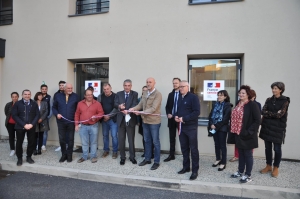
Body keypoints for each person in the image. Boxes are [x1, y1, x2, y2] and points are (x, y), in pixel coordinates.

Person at [230, 85, 261, 183]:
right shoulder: (238, 103)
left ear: (248, 94)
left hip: (247, 134)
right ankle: (240, 171)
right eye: (240, 93)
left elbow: (257, 120)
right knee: (241, 154)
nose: (241, 94)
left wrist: (249, 131)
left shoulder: (252, 105)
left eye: (243, 93)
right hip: (238, 133)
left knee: (248, 154)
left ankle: (248, 175)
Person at [130, 77, 162, 170]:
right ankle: (147, 159)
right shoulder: (145, 93)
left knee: (155, 142)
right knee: (147, 141)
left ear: (154, 83)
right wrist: (133, 109)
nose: (148, 83)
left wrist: (140, 113)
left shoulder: (158, 94)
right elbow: (140, 105)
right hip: (145, 121)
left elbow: (153, 108)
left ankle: (156, 162)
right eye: (147, 82)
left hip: (154, 122)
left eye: (150, 82)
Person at [259, 82, 290, 178]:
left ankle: (276, 167)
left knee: (277, 149)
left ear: (281, 90)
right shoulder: (268, 100)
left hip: (278, 128)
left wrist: (270, 114)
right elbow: (263, 111)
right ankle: (268, 165)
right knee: (267, 148)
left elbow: (280, 115)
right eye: (273, 88)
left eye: (276, 88)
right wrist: (273, 114)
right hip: (267, 127)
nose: (273, 90)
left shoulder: (285, 101)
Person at [175, 80, 200, 180]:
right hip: (182, 127)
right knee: (184, 148)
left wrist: (184, 118)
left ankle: (195, 171)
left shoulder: (193, 97)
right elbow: (179, 111)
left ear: (187, 87)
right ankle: (186, 167)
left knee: (193, 149)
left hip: (191, 127)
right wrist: (177, 116)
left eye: (182, 86)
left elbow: (197, 112)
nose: (180, 88)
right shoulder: (180, 98)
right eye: (179, 87)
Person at [11, 89, 40, 166]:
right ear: (22, 95)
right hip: (20, 127)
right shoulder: (17, 104)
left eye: (28, 94)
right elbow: (14, 115)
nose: (27, 96)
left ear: (30, 95)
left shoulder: (34, 103)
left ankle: (29, 157)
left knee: (31, 142)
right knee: (19, 143)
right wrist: (24, 124)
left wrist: (32, 124)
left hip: (31, 126)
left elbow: (37, 115)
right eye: (25, 94)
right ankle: (19, 158)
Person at [75, 89, 104, 163]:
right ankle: (84, 156)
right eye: (88, 95)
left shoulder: (97, 103)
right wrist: (76, 124)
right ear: (85, 95)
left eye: (91, 94)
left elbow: (101, 113)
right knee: (84, 142)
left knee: (93, 142)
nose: (90, 96)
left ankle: (93, 156)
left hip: (93, 126)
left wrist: (96, 116)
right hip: (83, 126)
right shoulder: (80, 103)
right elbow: (77, 114)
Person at [52, 83, 79, 162]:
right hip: (61, 122)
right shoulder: (58, 96)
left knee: (71, 139)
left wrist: (77, 121)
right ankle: (64, 154)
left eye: (71, 88)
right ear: (64, 89)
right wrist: (57, 114)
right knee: (62, 139)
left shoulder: (76, 96)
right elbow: (54, 107)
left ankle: (69, 155)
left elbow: (78, 109)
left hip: (71, 121)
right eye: (68, 88)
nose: (70, 90)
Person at [114, 79, 138, 165]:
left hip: (130, 120)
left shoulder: (134, 94)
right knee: (121, 140)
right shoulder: (118, 93)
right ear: (123, 86)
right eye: (125, 85)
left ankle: (132, 157)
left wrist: (128, 111)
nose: (127, 87)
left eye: (129, 85)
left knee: (131, 140)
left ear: (131, 86)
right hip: (121, 120)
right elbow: (115, 103)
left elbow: (135, 104)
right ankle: (122, 157)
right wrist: (119, 106)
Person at [207, 90, 232, 171]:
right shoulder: (215, 104)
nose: (219, 97)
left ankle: (223, 162)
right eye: (218, 95)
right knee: (216, 144)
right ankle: (218, 159)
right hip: (214, 127)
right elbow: (211, 115)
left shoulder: (228, 106)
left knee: (222, 145)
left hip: (222, 128)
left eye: (221, 95)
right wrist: (211, 124)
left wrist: (216, 125)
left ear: (225, 97)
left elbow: (225, 119)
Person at [97, 83, 118, 159]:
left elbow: (116, 108)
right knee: (105, 136)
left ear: (110, 88)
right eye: (104, 89)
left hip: (113, 120)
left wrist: (109, 115)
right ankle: (106, 150)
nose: (106, 91)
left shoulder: (115, 96)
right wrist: (104, 116)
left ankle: (115, 151)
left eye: (107, 89)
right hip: (104, 120)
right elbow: (98, 107)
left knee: (114, 136)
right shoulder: (100, 96)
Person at [164, 77, 181, 162]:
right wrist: (168, 113)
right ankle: (171, 155)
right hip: (171, 120)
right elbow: (167, 106)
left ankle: (186, 155)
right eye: (173, 83)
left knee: (183, 138)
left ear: (180, 84)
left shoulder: (183, 94)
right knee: (172, 138)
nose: (175, 84)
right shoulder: (171, 94)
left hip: (181, 120)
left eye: (176, 83)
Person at [137, 86, 154, 158]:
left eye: (146, 90)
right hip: (141, 120)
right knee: (144, 137)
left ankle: (151, 153)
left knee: (151, 137)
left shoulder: (151, 98)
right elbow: (137, 110)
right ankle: (146, 152)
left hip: (150, 120)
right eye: (143, 90)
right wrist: (138, 121)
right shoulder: (139, 99)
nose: (144, 92)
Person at [4, 92, 19, 156]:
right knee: (11, 137)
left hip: (18, 124)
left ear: (18, 97)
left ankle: (18, 149)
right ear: (11, 97)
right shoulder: (8, 104)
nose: (14, 98)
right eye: (13, 97)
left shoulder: (20, 104)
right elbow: (6, 112)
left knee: (19, 137)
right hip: (10, 124)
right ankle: (12, 149)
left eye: (16, 97)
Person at [53, 80, 67, 152]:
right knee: (61, 132)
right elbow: (54, 106)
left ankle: (67, 145)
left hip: (67, 116)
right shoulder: (56, 94)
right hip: (59, 116)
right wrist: (57, 114)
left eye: (63, 85)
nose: (61, 86)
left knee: (68, 132)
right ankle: (61, 145)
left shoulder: (68, 93)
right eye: (60, 85)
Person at [40, 84, 52, 151]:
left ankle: (43, 145)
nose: (44, 90)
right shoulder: (38, 96)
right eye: (43, 89)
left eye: (45, 89)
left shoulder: (49, 97)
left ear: (47, 89)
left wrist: (49, 116)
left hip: (46, 117)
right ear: (41, 89)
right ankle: (38, 144)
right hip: (38, 118)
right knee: (38, 131)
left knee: (45, 132)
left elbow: (51, 107)